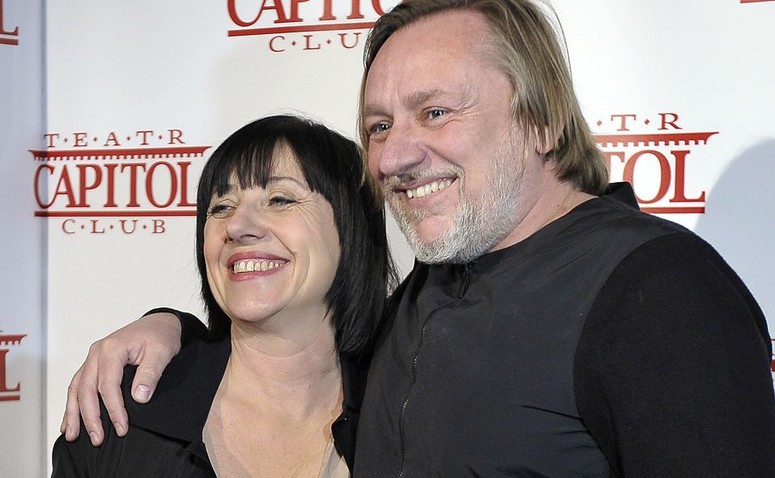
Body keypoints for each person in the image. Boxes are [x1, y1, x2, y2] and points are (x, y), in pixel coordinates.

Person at [60, 0, 775, 476]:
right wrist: (172, 329)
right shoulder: (425, 295)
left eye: (435, 112)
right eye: (379, 126)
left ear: (542, 120)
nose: (395, 156)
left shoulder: (656, 290)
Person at [52, 114, 397, 477]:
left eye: (279, 199)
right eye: (221, 207)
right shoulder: (119, 413)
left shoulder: (408, 408)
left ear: (352, 227)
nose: (237, 226)